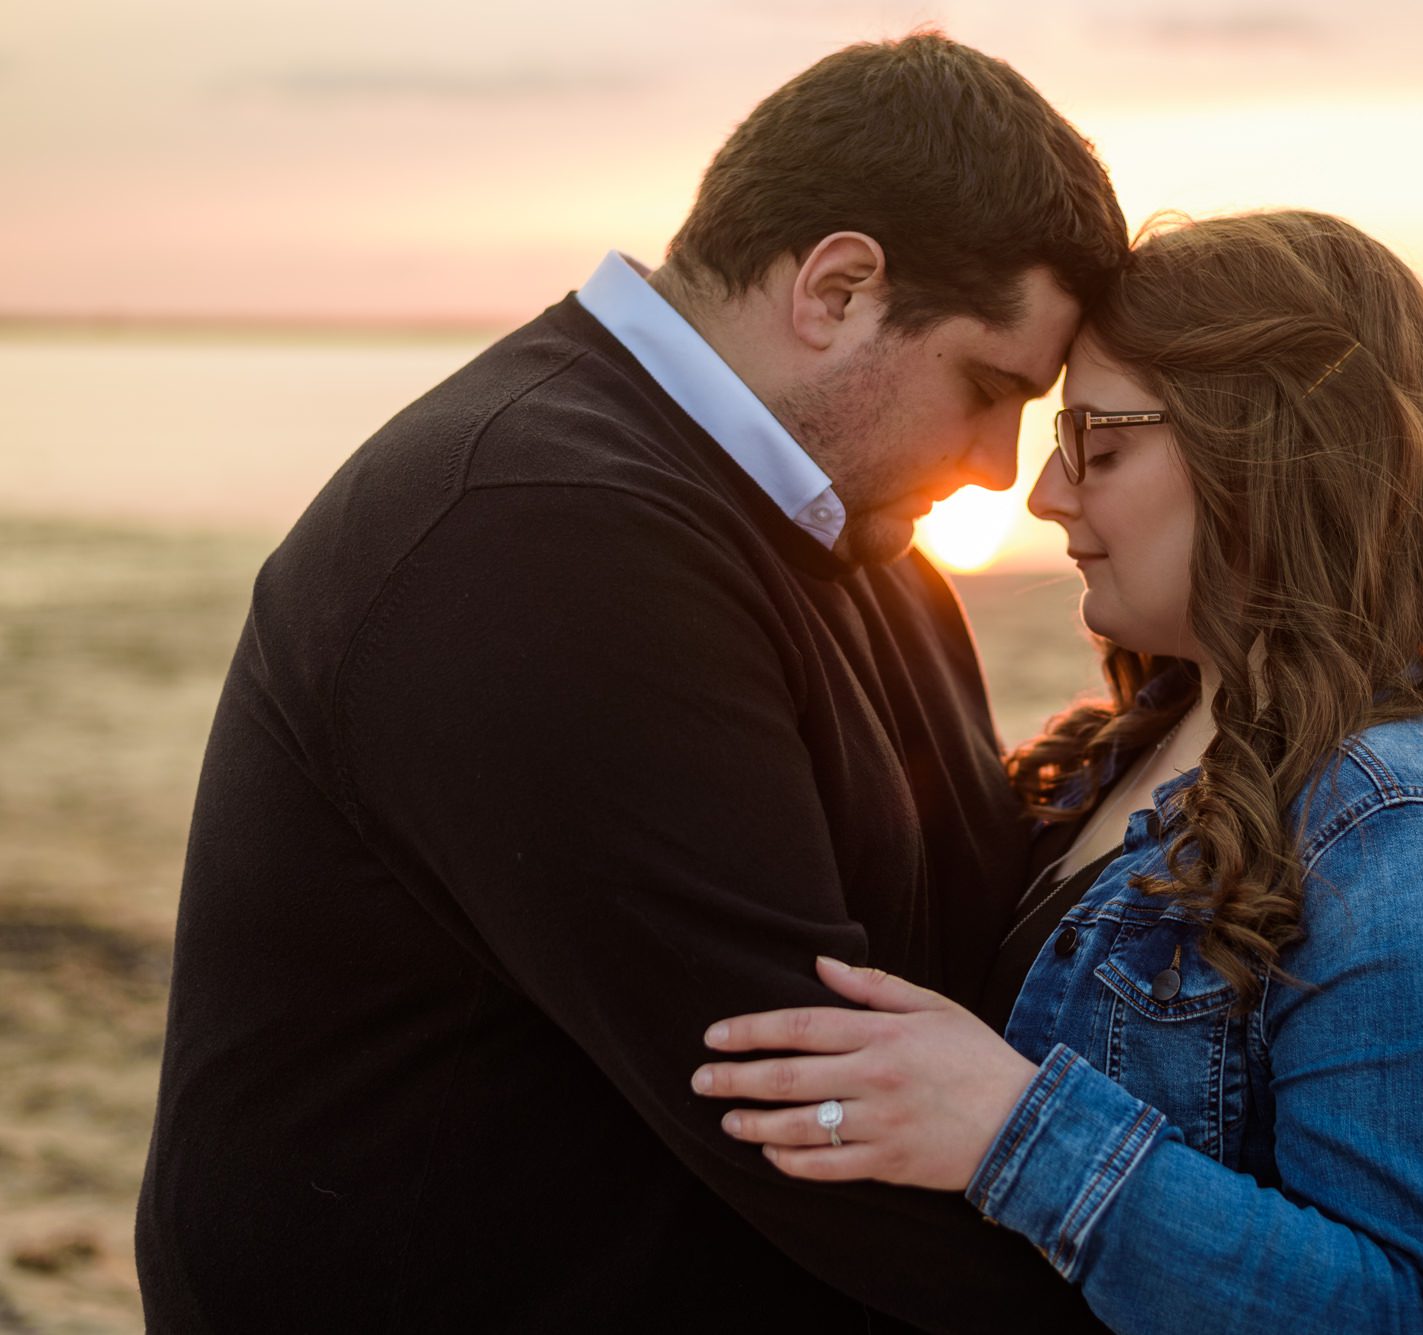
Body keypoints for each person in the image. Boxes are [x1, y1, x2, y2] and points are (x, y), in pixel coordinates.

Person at [136, 35, 1129, 1333]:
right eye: (989, 387)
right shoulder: (534, 528)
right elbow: (806, 1111)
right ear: (837, 288)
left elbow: (953, 969)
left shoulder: (860, 553)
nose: (1001, 466)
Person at [692, 210, 1423, 1334]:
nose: (1042, 494)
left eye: (1098, 442)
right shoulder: (1134, 745)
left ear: (1260, 450)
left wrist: (1012, 1134)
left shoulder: (1405, 820)